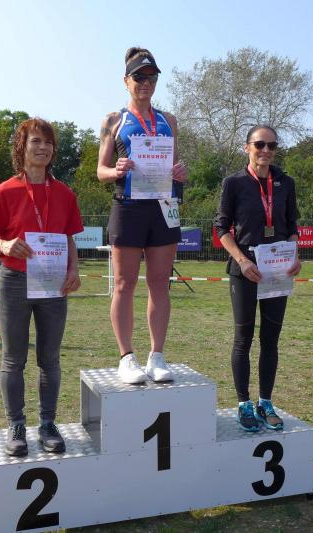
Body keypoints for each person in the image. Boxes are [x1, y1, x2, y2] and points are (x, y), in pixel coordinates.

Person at [0, 118, 83, 457]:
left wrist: (74, 269)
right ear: (22, 147)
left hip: (52, 284)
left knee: (49, 358)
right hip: (15, 281)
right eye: (36, 141)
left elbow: (69, 237)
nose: (43, 148)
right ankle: (17, 425)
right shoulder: (3, 192)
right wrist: (4, 245)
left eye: (48, 142)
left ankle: (48, 424)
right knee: (13, 359)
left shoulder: (64, 193)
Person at [97, 46, 187, 385]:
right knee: (124, 283)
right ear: (126, 80)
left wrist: (180, 172)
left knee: (160, 283)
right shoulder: (113, 121)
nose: (146, 83)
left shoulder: (168, 121)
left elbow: (174, 165)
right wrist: (116, 170)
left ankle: (157, 356)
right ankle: (126, 357)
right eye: (139, 77)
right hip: (129, 206)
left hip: (163, 206)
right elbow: (100, 171)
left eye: (151, 77)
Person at [214, 126, 301, 432]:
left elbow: (292, 226)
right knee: (244, 338)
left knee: (271, 339)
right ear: (247, 147)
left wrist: (294, 254)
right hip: (246, 268)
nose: (266, 150)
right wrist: (241, 260)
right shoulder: (234, 183)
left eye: (272, 145)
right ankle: (244, 404)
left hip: (277, 268)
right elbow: (221, 228)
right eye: (260, 144)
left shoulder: (286, 183)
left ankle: (265, 402)